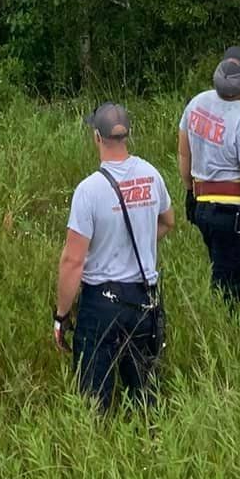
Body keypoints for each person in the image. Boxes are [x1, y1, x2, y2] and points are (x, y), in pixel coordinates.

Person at [54, 102, 174, 411]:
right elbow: (168, 221)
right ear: (127, 135)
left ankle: (95, 451)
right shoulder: (150, 175)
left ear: (97, 136)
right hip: (144, 301)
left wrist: (62, 315)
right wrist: (143, 238)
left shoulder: (89, 190)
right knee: (146, 397)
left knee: (94, 400)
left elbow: (73, 261)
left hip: (101, 306)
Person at [179, 44, 240, 304]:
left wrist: (189, 192)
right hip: (234, 215)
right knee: (233, 289)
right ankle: (227, 329)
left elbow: (184, 154)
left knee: (218, 269)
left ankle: (218, 319)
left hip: (203, 206)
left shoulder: (196, 104)